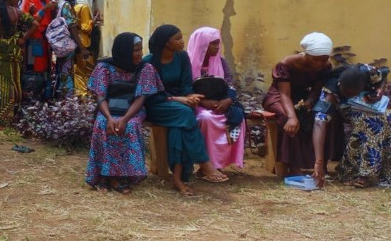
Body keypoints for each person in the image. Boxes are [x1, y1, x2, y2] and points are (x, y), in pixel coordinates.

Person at [144, 25, 229, 195]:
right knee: (184, 113)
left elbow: (185, 86)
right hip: (155, 105)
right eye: (177, 38)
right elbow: (149, 94)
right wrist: (178, 99)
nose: (182, 41)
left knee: (180, 124)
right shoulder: (149, 62)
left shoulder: (182, 57)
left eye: (181, 36)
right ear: (165, 43)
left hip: (177, 107)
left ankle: (177, 178)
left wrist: (191, 96)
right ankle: (204, 162)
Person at [86, 34, 161, 193]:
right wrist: (108, 118)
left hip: (132, 111)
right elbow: (100, 95)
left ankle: (120, 177)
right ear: (124, 51)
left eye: (141, 49)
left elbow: (141, 98)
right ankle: (105, 176)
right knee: (102, 124)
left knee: (130, 127)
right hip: (108, 110)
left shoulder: (145, 68)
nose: (140, 53)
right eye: (136, 50)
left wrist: (126, 119)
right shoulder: (104, 68)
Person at [261, 33, 344, 176]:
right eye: (315, 60)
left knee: (325, 116)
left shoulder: (326, 66)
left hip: (303, 98)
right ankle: (293, 165)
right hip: (279, 97)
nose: (319, 64)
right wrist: (292, 117)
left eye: (323, 60)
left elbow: (317, 89)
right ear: (306, 54)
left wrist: (310, 102)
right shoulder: (286, 64)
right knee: (289, 119)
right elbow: (284, 94)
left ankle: (320, 163)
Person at [185, 27, 246, 171]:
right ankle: (206, 164)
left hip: (220, 103)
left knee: (238, 118)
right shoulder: (187, 63)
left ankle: (220, 163)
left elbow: (230, 83)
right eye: (213, 43)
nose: (217, 46)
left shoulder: (221, 62)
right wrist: (202, 101)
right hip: (196, 104)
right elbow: (185, 88)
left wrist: (228, 100)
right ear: (202, 43)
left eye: (218, 43)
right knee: (206, 118)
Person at [323, 65, 391, 188]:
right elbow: (321, 115)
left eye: (355, 93)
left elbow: (385, 72)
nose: (351, 95)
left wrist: (380, 90)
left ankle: (381, 172)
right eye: (347, 93)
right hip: (347, 109)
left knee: (387, 118)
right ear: (340, 85)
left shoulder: (367, 73)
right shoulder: (331, 88)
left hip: (371, 106)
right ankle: (366, 175)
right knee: (370, 123)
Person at [23, 0, 60, 89]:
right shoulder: (29, 1)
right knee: (35, 63)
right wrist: (45, 9)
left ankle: (46, 91)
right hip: (35, 37)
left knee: (46, 64)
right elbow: (29, 20)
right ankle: (33, 91)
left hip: (46, 37)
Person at [52, 0, 83, 98]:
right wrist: (82, 47)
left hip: (59, 44)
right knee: (67, 73)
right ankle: (66, 100)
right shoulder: (66, 6)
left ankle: (59, 96)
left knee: (61, 72)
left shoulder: (58, 3)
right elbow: (72, 28)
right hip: (67, 45)